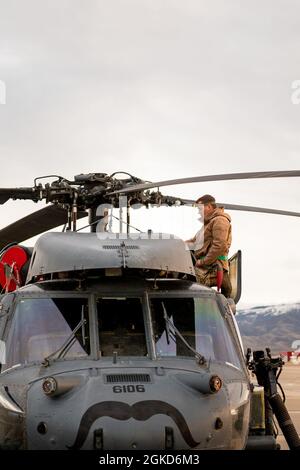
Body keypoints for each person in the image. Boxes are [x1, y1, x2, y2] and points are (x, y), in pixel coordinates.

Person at [186, 194, 232, 297]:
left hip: (211, 268)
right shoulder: (209, 223)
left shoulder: (220, 220)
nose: (198, 212)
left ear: (209, 207)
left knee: (183, 283)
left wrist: (202, 262)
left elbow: (219, 246)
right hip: (206, 265)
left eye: (200, 208)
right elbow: (194, 242)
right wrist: (177, 244)